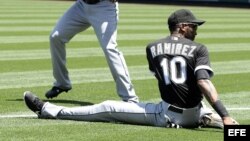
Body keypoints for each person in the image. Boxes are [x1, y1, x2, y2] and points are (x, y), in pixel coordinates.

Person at [24, 9, 238, 128]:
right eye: (193, 26)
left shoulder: (153, 48)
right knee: (234, 127)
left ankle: (48, 110)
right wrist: (225, 115)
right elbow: (202, 82)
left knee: (107, 107)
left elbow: (166, 79)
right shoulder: (198, 48)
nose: (196, 30)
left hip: (167, 115)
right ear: (182, 27)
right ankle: (227, 126)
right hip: (198, 111)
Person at [45, 0, 139, 103]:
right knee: (56, 37)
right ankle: (62, 83)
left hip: (104, 8)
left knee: (109, 48)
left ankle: (130, 98)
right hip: (82, 6)